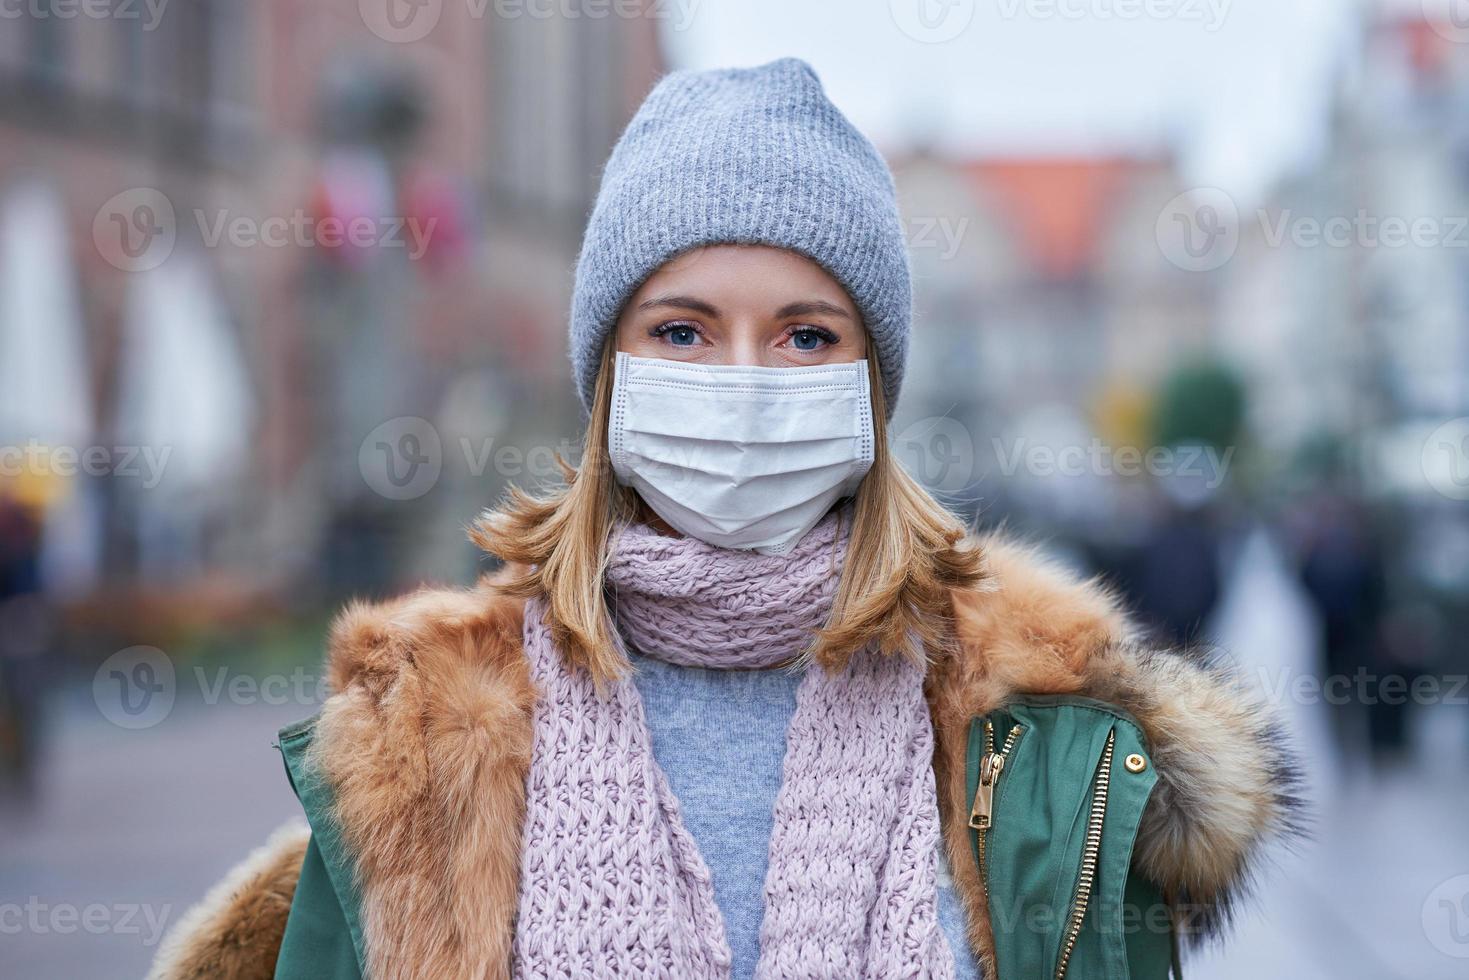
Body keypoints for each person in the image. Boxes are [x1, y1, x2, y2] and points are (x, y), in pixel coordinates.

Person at [149, 58, 1299, 980]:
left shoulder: (1044, 743)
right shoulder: (427, 735)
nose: (745, 379)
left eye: (805, 334)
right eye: (682, 331)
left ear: (870, 387)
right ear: (608, 376)